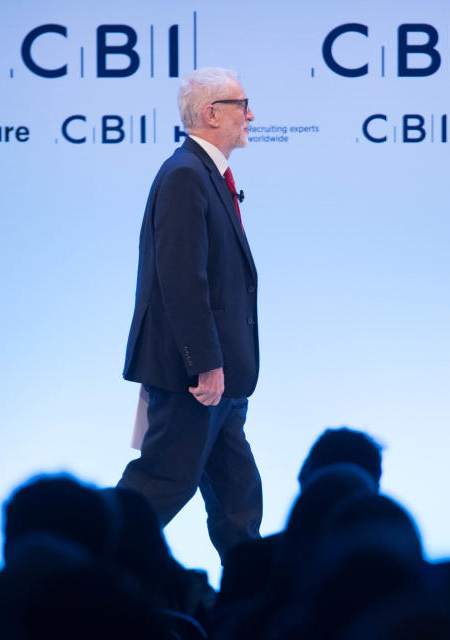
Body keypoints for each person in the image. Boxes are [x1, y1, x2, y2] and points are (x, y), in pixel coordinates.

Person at [118, 67, 262, 561]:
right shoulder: (185, 175)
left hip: (221, 374)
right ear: (212, 113)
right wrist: (205, 362)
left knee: (238, 500)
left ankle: (251, 597)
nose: (251, 115)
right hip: (197, 376)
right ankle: (82, 564)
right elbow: (181, 279)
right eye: (243, 104)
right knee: (162, 483)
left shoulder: (205, 174)